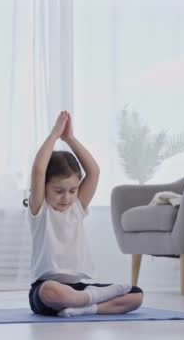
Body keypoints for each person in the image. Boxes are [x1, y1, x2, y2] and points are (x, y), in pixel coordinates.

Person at [26, 111, 143, 317]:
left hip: (78, 287)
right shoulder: (40, 209)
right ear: (44, 188)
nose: (66, 197)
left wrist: (70, 138)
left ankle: (86, 307)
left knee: (136, 296)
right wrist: (54, 135)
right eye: (58, 191)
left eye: (72, 190)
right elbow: (38, 169)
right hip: (47, 289)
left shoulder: (77, 208)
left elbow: (94, 172)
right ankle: (87, 302)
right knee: (50, 291)